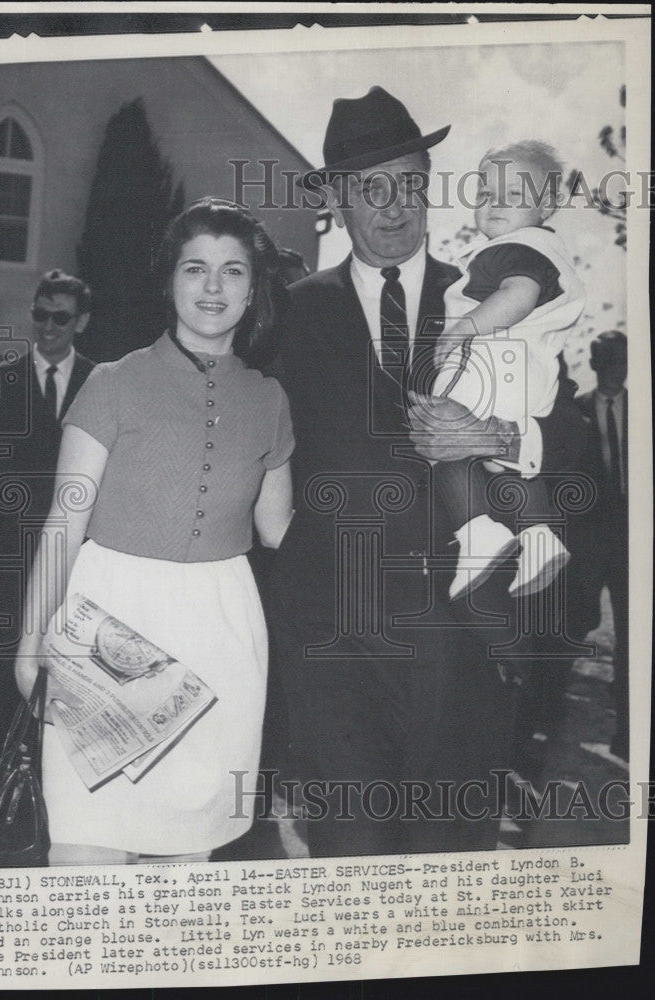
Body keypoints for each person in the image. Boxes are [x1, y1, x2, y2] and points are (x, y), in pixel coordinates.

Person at [268, 86, 587, 857]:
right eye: (369, 188)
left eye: (408, 183)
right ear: (337, 199)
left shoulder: (494, 295)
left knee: (446, 885)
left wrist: (496, 432)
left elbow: (581, 448)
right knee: (352, 871)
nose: (392, 207)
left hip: (461, 649)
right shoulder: (291, 313)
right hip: (334, 653)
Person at [14, 199, 294, 864]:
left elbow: (280, 531)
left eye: (232, 272)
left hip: (219, 636)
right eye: (195, 269)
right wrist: (31, 645)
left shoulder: (269, 400)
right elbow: (64, 519)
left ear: (253, 290)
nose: (213, 288)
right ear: (169, 280)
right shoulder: (112, 384)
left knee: (182, 870)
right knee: (85, 857)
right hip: (108, 625)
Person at [431, 141, 585, 600]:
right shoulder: (541, 247)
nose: (494, 202)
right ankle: (539, 540)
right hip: (524, 382)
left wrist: (462, 327)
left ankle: (479, 535)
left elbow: (518, 294)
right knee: (507, 471)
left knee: (446, 447)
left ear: (546, 205)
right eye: (484, 191)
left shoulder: (514, 249)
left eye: (513, 194)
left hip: (490, 367)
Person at [0, 269, 94, 772]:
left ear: (81, 321)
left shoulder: (100, 382)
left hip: (75, 568)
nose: (48, 327)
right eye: (40, 315)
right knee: (3, 678)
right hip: (8, 568)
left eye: (60, 318)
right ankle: (0, 793)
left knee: (69, 679)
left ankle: (51, 792)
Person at [571, 330, 628, 764]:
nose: (616, 368)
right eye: (607, 361)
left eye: (621, 360)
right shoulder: (579, 411)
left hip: (631, 537)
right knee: (574, 625)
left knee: (632, 634)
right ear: (594, 365)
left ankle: (627, 733)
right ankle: (550, 717)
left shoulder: (643, 408)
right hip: (590, 538)